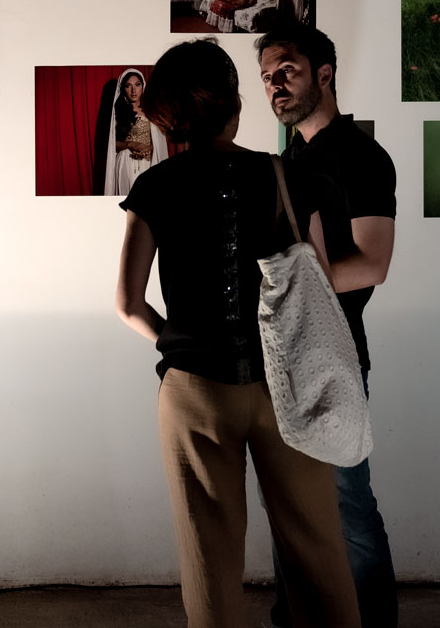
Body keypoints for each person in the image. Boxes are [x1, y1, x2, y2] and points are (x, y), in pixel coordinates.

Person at [116, 39, 360, 628]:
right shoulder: (290, 176)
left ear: (168, 114)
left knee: (209, 556)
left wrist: (180, 343)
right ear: (235, 101)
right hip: (286, 385)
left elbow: (128, 304)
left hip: (195, 390)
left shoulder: (156, 186)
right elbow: (321, 283)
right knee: (317, 548)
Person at [257, 21, 399, 628]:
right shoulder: (286, 161)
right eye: (267, 76)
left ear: (324, 73)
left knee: (349, 507)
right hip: (281, 358)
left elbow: (373, 264)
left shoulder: (362, 157)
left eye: (286, 70)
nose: (275, 84)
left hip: (337, 356)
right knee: (287, 507)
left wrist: (291, 285)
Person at [100, 68, 169, 197]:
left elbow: (159, 143)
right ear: (123, 89)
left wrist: (149, 148)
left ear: (143, 86)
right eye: (128, 86)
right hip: (126, 162)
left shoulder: (152, 112)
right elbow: (111, 145)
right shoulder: (117, 112)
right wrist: (131, 144)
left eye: (137, 85)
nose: (133, 90)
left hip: (148, 162)